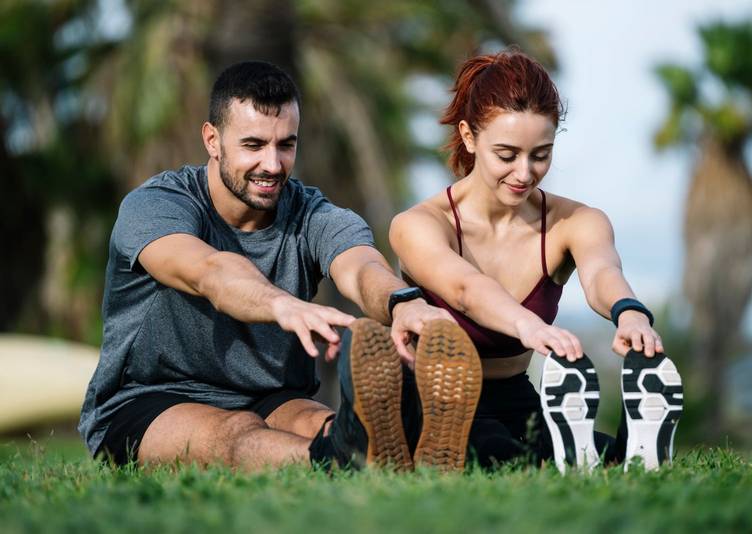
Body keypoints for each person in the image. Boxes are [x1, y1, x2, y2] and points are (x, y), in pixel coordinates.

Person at [78, 60, 458, 471]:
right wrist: (282, 304)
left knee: (317, 421)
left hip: (272, 396)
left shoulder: (311, 213)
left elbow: (361, 265)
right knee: (233, 434)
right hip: (150, 400)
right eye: (254, 145)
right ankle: (344, 459)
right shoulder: (155, 207)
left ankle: (376, 439)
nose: (273, 165)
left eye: (286, 145)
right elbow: (211, 272)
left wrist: (403, 302)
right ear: (212, 140)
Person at [390, 49, 683, 471]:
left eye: (540, 154)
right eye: (507, 155)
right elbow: (465, 288)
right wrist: (529, 324)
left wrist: (630, 313)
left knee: (592, 456)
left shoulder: (576, 220)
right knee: (499, 455)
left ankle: (634, 446)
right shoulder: (418, 224)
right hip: (438, 402)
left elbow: (602, 271)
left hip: (516, 395)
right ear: (470, 137)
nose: (525, 173)